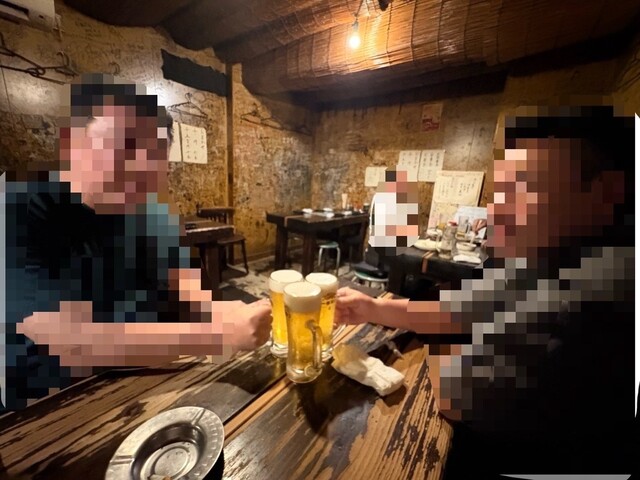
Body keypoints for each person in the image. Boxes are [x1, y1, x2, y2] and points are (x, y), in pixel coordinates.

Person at [336, 103, 635, 474]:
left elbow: (453, 394)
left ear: (604, 194)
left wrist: (443, 344)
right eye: (501, 191)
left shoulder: (592, 297)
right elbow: (465, 307)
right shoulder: (547, 257)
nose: (494, 213)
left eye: (525, 187)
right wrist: (374, 308)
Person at [1, 74, 271, 411]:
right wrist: (214, 334)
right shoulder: (18, 202)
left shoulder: (147, 211)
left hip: (141, 382)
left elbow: (187, 285)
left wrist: (224, 313)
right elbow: (59, 341)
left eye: (156, 161)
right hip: (42, 405)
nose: (142, 174)